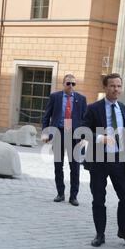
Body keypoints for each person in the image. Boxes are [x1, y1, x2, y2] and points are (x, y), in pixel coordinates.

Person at [82, 73, 125, 248]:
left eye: (119, 86)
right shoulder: (94, 108)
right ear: (106, 87)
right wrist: (101, 138)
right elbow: (83, 130)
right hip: (99, 159)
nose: (116, 89)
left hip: (119, 160)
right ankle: (100, 234)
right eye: (113, 86)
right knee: (99, 198)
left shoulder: (124, 109)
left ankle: (124, 231)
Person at [41, 74, 87, 206]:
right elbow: (46, 117)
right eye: (68, 83)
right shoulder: (55, 97)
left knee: (75, 167)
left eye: (73, 84)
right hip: (58, 133)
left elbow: (85, 119)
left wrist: (84, 137)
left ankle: (73, 196)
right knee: (58, 165)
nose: (71, 86)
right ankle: (60, 193)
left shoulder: (81, 99)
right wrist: (45, 133)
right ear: (63, 84)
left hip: (75, 135)